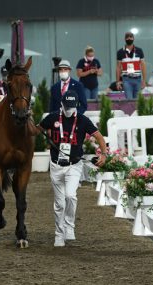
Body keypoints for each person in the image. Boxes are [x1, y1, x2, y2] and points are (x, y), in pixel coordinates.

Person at [38, 90, 107, 247]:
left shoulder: (82, 120)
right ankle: (58, 235)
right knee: (59, 203)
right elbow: (35, 130)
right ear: (61, 104)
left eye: (72, 106)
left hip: (74, 165)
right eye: (67, 106)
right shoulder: (52, 117)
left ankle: (69, 227)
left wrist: (103, 154)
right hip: (56, 165)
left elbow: (99, 136)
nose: (69, 109)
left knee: (70, 196)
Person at [116, 32, 146, 99]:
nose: (129, 38)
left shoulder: (139, 50)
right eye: (127, 37)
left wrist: (144, 80)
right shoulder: (120, 52)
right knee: (129, 100)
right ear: (125, 39)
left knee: (137, 101)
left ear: (133, 38)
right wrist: (117, 82)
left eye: (131, 37)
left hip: (138, 79)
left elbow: (143, 66)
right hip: (126, 80)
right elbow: (118, 67)